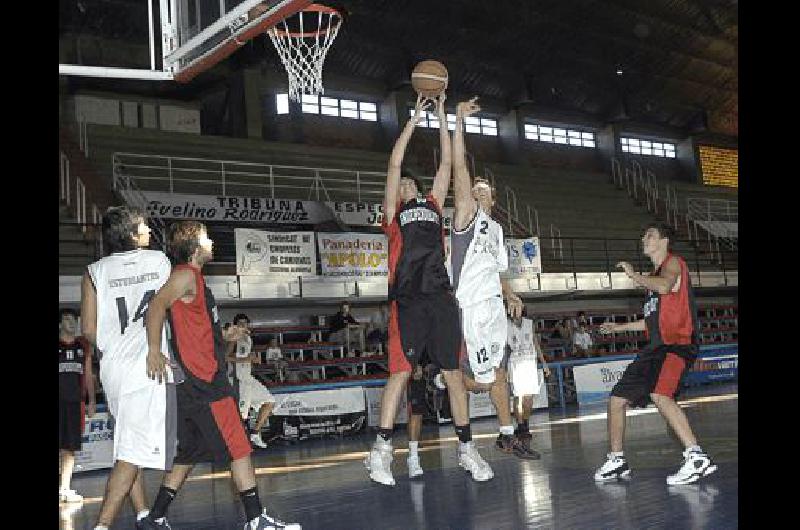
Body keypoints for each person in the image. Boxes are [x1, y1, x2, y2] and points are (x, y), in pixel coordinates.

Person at [365, 91, 493, 486]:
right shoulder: (393, 213)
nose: (402, 184)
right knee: (401, 374)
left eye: (407, 183)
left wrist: (441, 116)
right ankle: (382, 452)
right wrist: (412, 121)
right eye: (400, 184)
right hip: (408, 300)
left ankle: (467, 448)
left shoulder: (435, 204)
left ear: (417, 188)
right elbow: (394, 161)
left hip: (440, 297)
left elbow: (449, 163)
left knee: (454, 375)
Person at [139, 221, 300, 529]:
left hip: (190, 385)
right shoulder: (185, 275)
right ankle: (256, 521)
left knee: (187, 454)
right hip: (206, 383)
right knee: (239, 446)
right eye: (206, 237)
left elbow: (196, 330)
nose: (212, 241)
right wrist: (153, 349)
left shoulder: (196, 281)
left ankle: (155, 517)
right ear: (195, 247)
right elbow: (156, 306)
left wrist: (226, 335)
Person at [594, 223, 717, 486]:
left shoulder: (673, 264)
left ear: (664, 241)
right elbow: (651, 320)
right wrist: (620, 327)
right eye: (643, 235)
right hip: (656, 347)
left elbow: (666, 286)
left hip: (677, 344)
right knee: (616, 399)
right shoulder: (653, 278)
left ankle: (696, 458)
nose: (644, 238)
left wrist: (634, 275)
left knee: (660, 394)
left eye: (649, 235)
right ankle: (616, 460)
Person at [448, 96, 537, 459]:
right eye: (474, 189)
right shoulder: (466, 218)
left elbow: (500, 270)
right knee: (481, 380)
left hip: (495, 305)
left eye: (483, 190)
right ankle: (449, 379)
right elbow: (458, 168)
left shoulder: (498, 230)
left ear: (493, 197)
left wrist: (510, 294)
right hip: (470, 307)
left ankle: (506, 434)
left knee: (499, 375)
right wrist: (459, 122)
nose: (476, 192)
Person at [81, 206, 175, 530]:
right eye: (144, 226)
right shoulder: (159, 261)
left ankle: (143, 515)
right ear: (132, 234)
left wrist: (113, 347)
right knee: (131, 454)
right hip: (149, 366)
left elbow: (89, 330)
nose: (149, 229)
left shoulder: (94, 271)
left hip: (114, 370)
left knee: (128, 443)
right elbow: (171, 308)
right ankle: (102, 524)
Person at [59, 308, 95, 504]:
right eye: (66, 319)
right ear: (60, 324)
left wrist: (91, 401)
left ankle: (64, 489)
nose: (71, 322)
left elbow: (88, 375)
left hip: (74, 404)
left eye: (74, 319)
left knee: (69, 447)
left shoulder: (84, 346)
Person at [227, 313, 278, 449]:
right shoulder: (233, 338)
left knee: (269, 401)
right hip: (238, 379)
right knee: (241, 415)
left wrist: (253, 360)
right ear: (236, 325)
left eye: (245, 323)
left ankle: (255, 432)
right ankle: (234, 445)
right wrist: (246, 359)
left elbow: (245, 358)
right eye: (240, 324)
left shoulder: (248, 338)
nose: (243, 326)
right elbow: (226, 357)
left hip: (248, 377)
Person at [506, 309, 550, 452]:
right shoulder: (505, 325)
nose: (515, 312)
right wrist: (505, 369)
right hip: (515, 363)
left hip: (530, 362)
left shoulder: (529, 324)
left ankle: (525, 422)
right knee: (518, 398)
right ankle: (520, 426)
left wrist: (543, 363)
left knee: (528, 399)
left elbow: (535, 343)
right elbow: (504, 349)